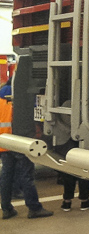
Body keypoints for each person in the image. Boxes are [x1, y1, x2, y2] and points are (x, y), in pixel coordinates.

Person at [0, 78, 54, 219]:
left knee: (6, 175)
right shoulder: (19, 100)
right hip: (18, 142)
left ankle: (6, 209)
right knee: (26, 175)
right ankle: (34, 208)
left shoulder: (1, 101)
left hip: (4, 144)